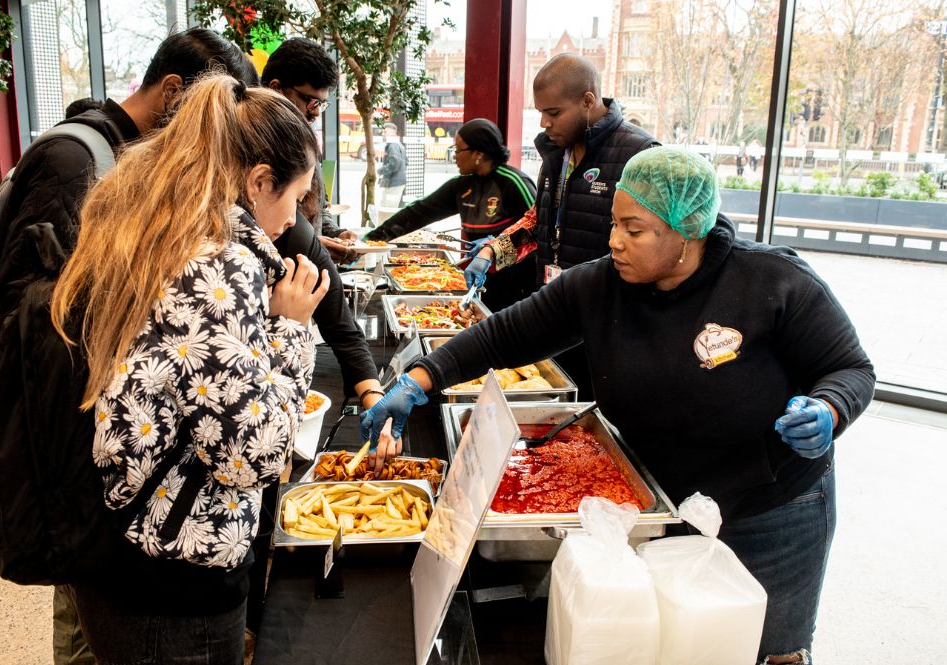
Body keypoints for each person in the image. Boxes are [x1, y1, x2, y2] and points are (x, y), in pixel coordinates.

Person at [363, 147, 875, 665]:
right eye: (614, 223)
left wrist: (829, 409)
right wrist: (420, 378)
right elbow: (505, 334)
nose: (614, 241)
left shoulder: (773, 281)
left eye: (634, 229)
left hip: (772, 508)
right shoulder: (600, 284)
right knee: (677, 645)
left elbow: (850, 368)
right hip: (659, 497)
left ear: (687, 230)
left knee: (769, 649)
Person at [0, 28, 259, 665]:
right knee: (87, 613)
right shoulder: (72, 159)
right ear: (173, 92)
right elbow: (29, 308)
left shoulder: (126, 156)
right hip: (70, 428)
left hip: (109, 426)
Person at [49, 74, 329, 665]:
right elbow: (252, 457)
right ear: (259, 182)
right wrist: (291, 327)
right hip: (173, 569)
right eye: (297, 196)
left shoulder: (160, 226)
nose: (296, 217)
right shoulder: (219, 264)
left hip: (125, 541)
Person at [464, 53, 658, 398]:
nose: (544, 123)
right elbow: (539, 221)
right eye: (540, 112)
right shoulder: (557, 153)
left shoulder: (639, 153)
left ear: (588, 101)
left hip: (608, 325)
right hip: (556, 311)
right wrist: (493, 252)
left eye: (553, 113)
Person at [365, 118, 537, 311]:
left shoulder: (514, 182)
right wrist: (369, 241)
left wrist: (494, 246)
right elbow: (417, 213)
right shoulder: (461, 185)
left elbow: (537, 231)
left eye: (458, 150)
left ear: (478, 154)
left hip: (517, 285)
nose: (454, 156)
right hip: (481, 279)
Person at [261, 37, 359, 264]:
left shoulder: (308, 142)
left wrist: (336, 233)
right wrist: (311, 245)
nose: (316, 113)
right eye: (311, 101)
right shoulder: (249, 146)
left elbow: (318, 209)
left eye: (321, 104)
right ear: (276, 89)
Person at [379, 124, 407, 208]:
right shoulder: (398, 144)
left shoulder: (393, 145)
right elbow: (406, 161)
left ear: (393, 133)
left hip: (394, 183)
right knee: (391, 206)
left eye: (385, 132)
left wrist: (381, 170)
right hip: (398, 182)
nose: (382, 134)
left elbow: (394, 163)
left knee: (387, 208)